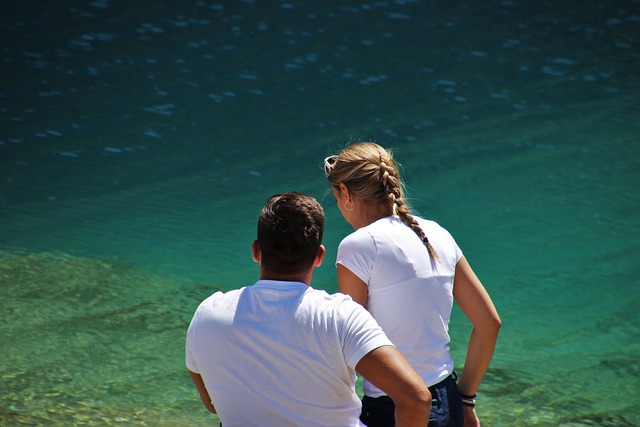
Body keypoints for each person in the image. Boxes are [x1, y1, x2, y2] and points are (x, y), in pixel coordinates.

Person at [185, 191, 432, 427]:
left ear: (256, 251)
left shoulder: (208, 314)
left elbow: (212, 403)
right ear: (319, 256)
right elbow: (416, 399)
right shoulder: (341, 317)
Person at [323, 142, 501, 427]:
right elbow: (490, 323)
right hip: (448, 399)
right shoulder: (438, 234)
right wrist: (466, 399)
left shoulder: (356, 247)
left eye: (335, 197)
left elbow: (349, 341)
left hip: (393, 408)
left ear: (345, 193)